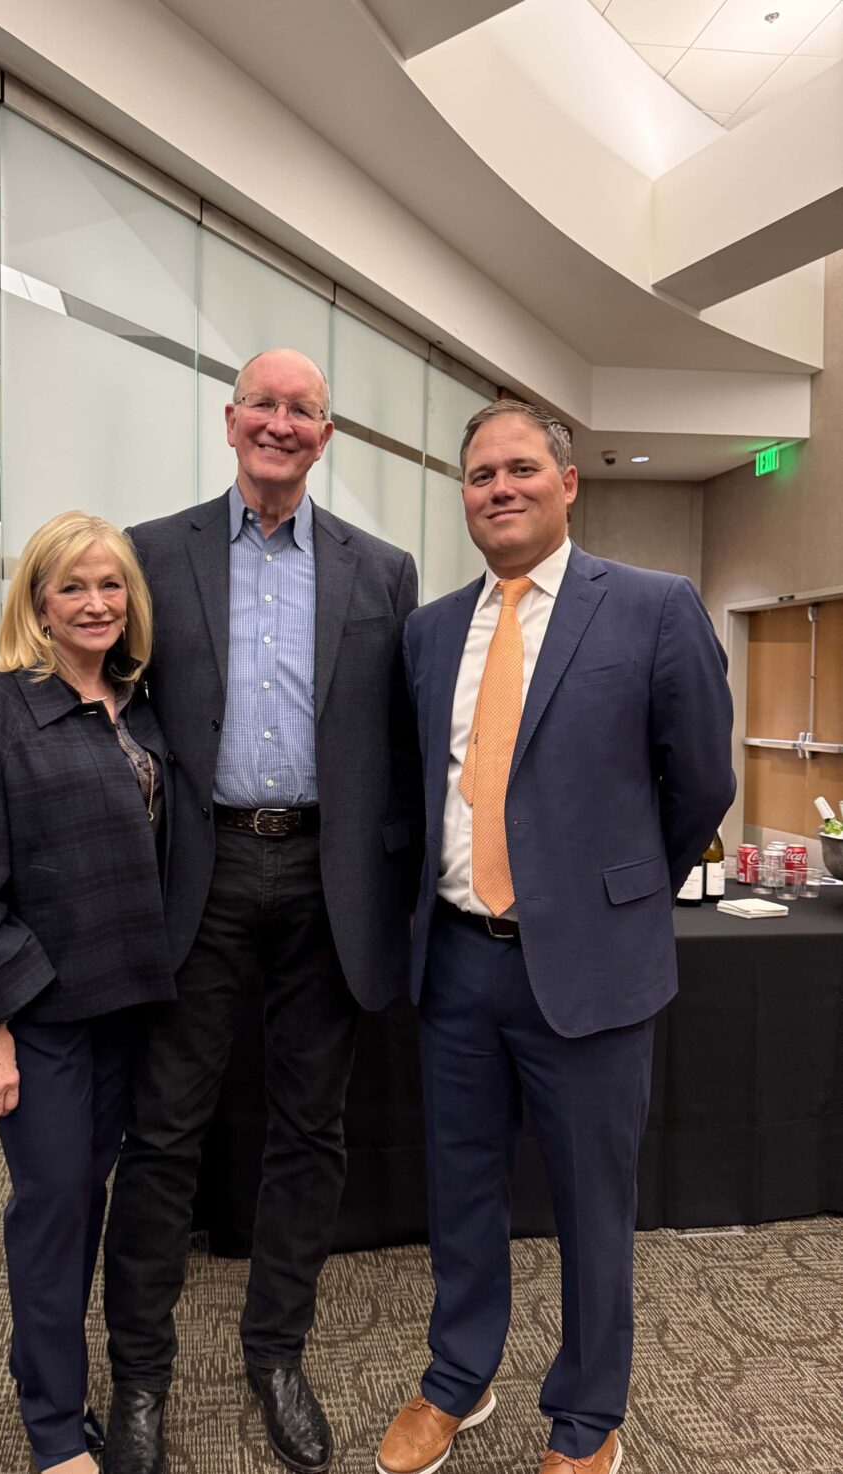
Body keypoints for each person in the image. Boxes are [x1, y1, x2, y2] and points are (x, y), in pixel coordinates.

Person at [376, 400, 735, 1474]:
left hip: (586, 965)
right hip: (454, 961)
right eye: (479, 473)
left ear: (566, 482)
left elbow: (701, 781)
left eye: (521, 468)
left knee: (591, 1200)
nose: (499, 487)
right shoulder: (431, 629)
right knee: (460, 1185)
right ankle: (458, 1377)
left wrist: (616, 895)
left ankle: (586, 1418)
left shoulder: (654, 608)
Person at [102, 348, 421, 1474]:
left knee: (308, 1132)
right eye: (264, 405)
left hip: (325, 881)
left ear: (324, 437)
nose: (280, 424)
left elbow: (398, 741)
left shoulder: (380, 569)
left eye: (304, 410)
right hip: (201, 871)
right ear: (230, 419)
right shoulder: (149, 553)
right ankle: (137, 1378)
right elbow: (110, 713)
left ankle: (275, 1351)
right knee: (164, 1132)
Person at [0, 511, 176, 1474]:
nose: (96, 603)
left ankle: (57, 1390)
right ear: (37, 599)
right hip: (41, 1016)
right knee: (52, 1208)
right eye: (73, 586)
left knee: (86, 1203)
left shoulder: (134, 705)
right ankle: (55, 1432)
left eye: (111, 585)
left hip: (129, 1007)